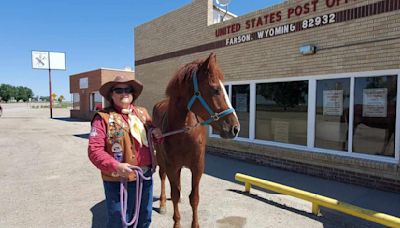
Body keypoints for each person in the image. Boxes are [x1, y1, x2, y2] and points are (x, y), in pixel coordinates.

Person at [88, 75, 162, 228]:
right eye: (119, 90)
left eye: (128, 89)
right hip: (118, 180)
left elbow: (153, 139)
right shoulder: (102, 118)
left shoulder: (142, 114)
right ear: (111, 95)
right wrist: (115, 165)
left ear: (133, 93)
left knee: (144, 218)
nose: (124, 93)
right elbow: (94, 150)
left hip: (145, 176)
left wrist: (157, 135)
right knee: (119, 222)